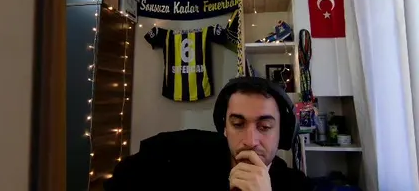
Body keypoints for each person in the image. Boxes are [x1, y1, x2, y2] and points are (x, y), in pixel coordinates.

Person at [105, 76, 314, 191]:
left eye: (265, 127)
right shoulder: (181, 154)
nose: (250, 141)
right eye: (238, 124)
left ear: (282, 132)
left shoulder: (298, 186)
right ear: (224, 128)